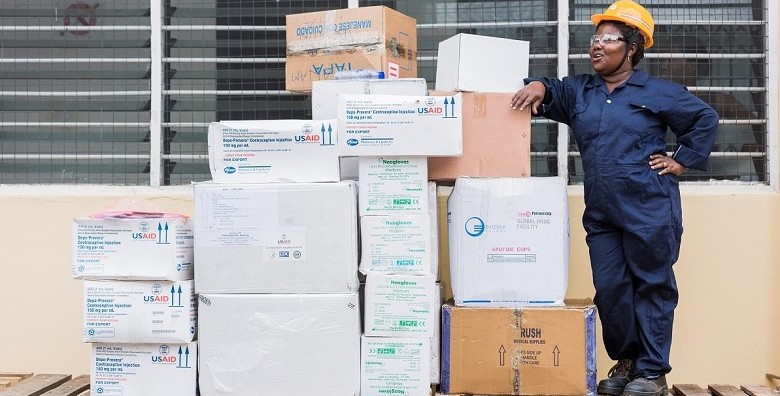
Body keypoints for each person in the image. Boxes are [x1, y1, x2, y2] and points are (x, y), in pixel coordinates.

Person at [510, 1, 719, 396]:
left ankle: (653, 372)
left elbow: (704, 119)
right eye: (595, 38)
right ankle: (627, 362)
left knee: (652, 286)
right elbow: (552, 90)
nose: (597, 46)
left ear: (633, 47)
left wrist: (681, 161)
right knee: (611, 289)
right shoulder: (581, 92)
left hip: (649, 208)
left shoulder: (659, 92)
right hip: (603, 212)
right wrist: (537, 84)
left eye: (609, 38)